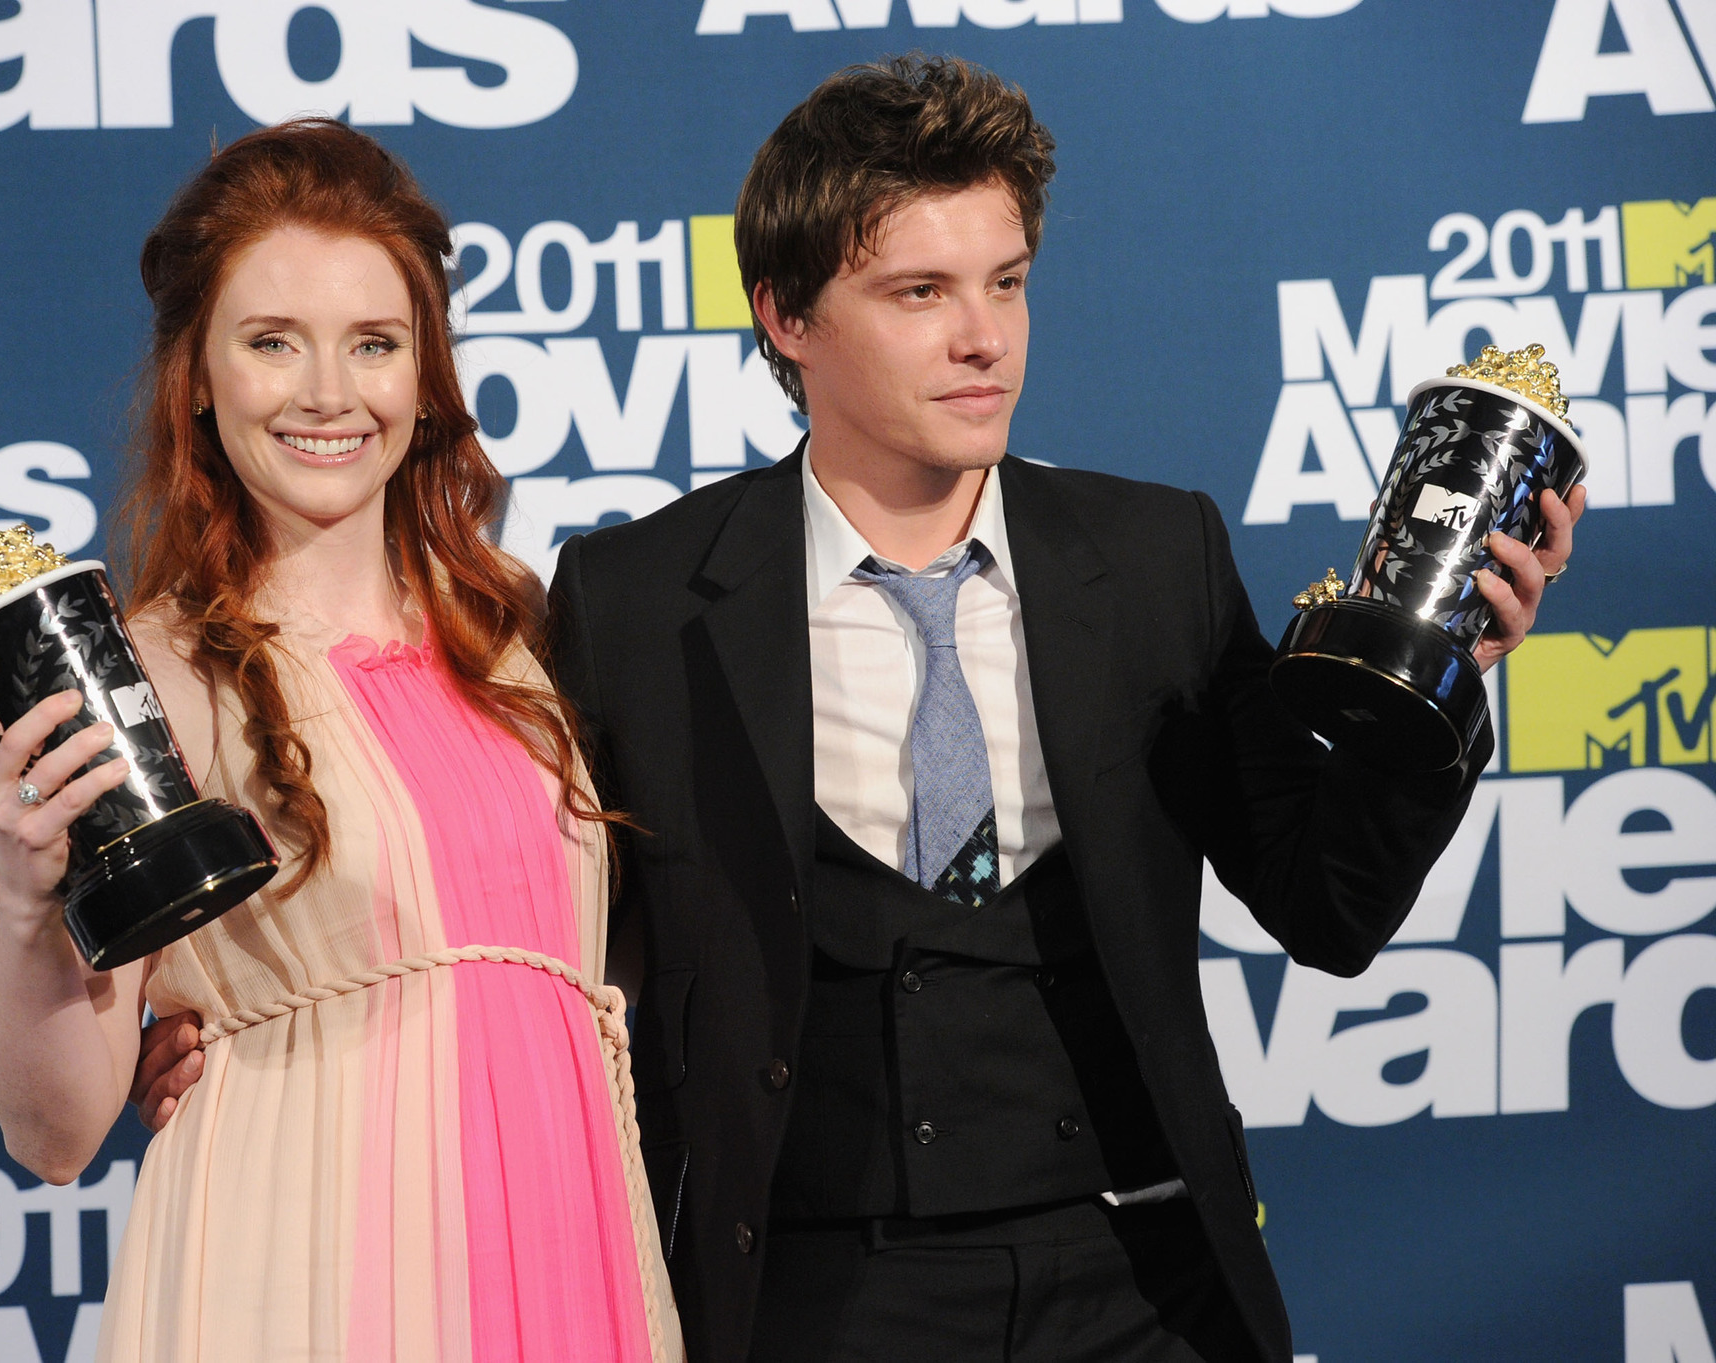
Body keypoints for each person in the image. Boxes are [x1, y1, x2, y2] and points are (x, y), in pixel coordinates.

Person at [135, 60, 1582, 1363]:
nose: (983, 341)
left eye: (1007, 283)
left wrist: (1447, 683)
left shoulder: (1153, 558)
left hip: (1142, 1283)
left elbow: (1326, 904)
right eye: (920, 294)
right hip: (814, 1301)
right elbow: (525, 903)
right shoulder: (634, 599)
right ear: (787, 315)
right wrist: (210, 1015)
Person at [0, 119, 680, 1363]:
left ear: (425, 370)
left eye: (373, 344)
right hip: (305, 1269)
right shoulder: (151, 678)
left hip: (570, 1256)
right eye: (271, 342)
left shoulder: (518, 633)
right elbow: (58, 1133)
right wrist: (33, 909)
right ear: (196, 373)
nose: (328, 394)